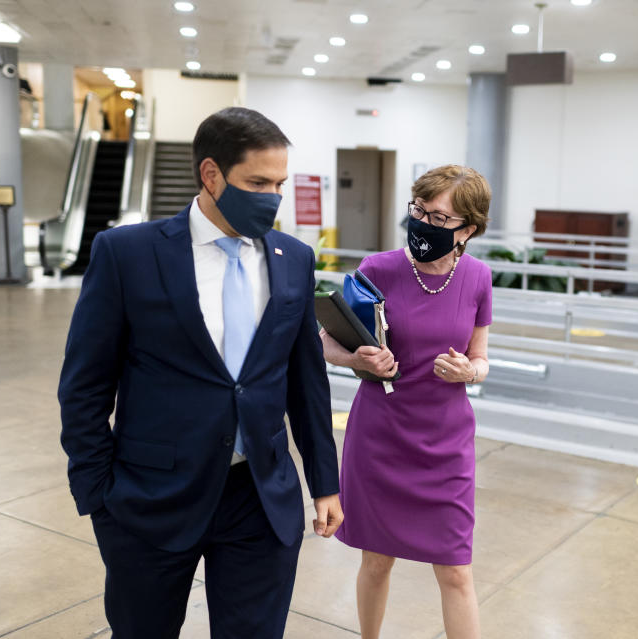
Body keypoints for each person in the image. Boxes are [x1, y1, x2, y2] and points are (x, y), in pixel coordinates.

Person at [59, 106, 343, 639]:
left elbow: (307, 382)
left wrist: (325, 482)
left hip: (259, 497)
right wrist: (98, 495)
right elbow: (85, 384)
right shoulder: (128, 253)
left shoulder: (294, 259)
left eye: (279, 183)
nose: (272, 197)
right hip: (150, 498)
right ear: (211, 175)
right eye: (257, 182)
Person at [321, 165, 492, 639]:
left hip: (446, 442)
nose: (424, 224)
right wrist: (359, 357)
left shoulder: (478, 278)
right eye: (419, 210)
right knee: (376, 560)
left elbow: (481, 359)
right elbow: (324, 343)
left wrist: (469, 372)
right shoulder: (378, 269)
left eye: (440, 219)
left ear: (468, 230)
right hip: (381, 435)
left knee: (455, 570)